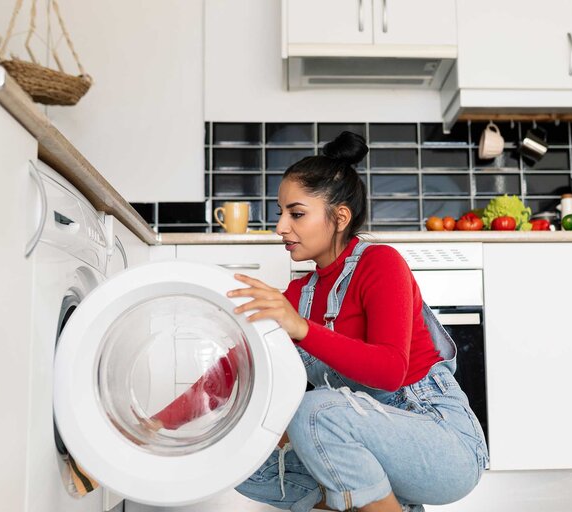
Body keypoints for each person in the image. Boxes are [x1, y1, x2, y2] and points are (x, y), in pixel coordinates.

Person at [146, 131, 488, 512]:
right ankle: (385, 503)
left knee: (314, 412)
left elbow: (391, 371)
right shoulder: (297, 296)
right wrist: (156, 426)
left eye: (296, 214)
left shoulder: (380, 263)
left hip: (444, 444)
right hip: (369, 445)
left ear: (339, 217)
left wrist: (303, 330)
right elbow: (233, 370)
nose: (280, 227)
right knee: (238, 456)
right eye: (281, 213)